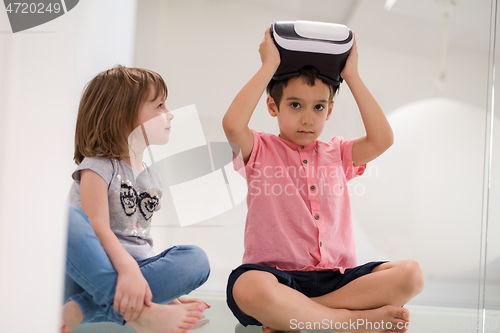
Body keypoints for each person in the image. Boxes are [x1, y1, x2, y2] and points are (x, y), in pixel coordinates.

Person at [222, 27, 424, 333]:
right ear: (272, 106)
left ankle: (298, 315)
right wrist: (268, 67)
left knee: (412, 275)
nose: (307, 118)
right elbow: (233, 124)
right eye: (295, 105)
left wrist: (352, 75)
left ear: (329, 111)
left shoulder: (339, 153)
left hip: (338, 278)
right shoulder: (260, 149)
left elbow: (383, 139)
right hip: (277, 279)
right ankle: (345, 321)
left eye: (318, 107)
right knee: (248, 287)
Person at [62, 65, 211, 333]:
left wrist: (166, 291)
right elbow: (97, 226)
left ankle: (86, 308)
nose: (170, 114)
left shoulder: (151, 176)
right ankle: (139, 313)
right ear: (124, 115)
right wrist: (129, 270)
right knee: (67, 217)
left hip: (135, 273)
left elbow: (139, 240)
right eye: (160, 106)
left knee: (196, 259)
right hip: (91, 273)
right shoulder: (97, 165)